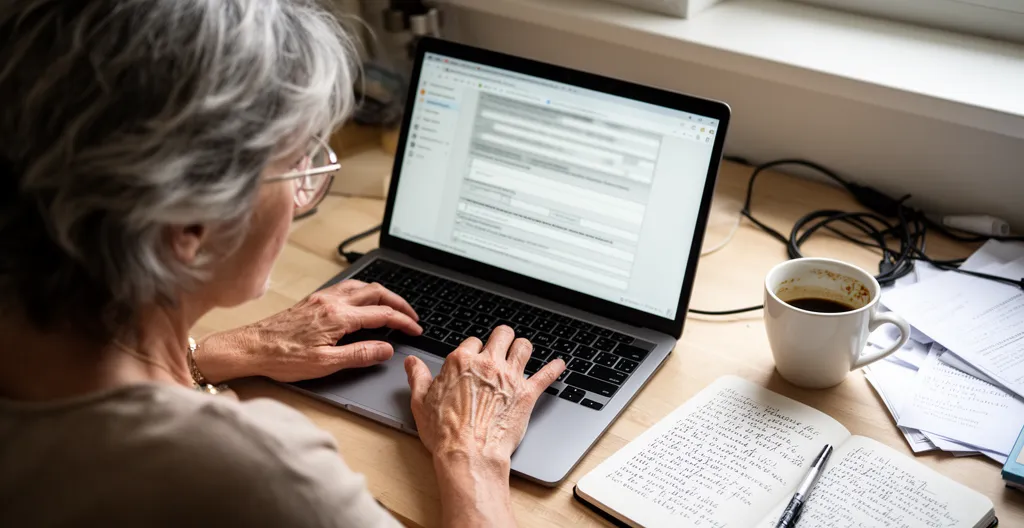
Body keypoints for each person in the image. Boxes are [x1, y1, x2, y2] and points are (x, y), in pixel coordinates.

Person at [0, 1, 566, 527]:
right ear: (190, 224)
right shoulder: (261, 474)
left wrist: (218, 351)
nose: (302, 194)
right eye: (297, 164)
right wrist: (471, 452)